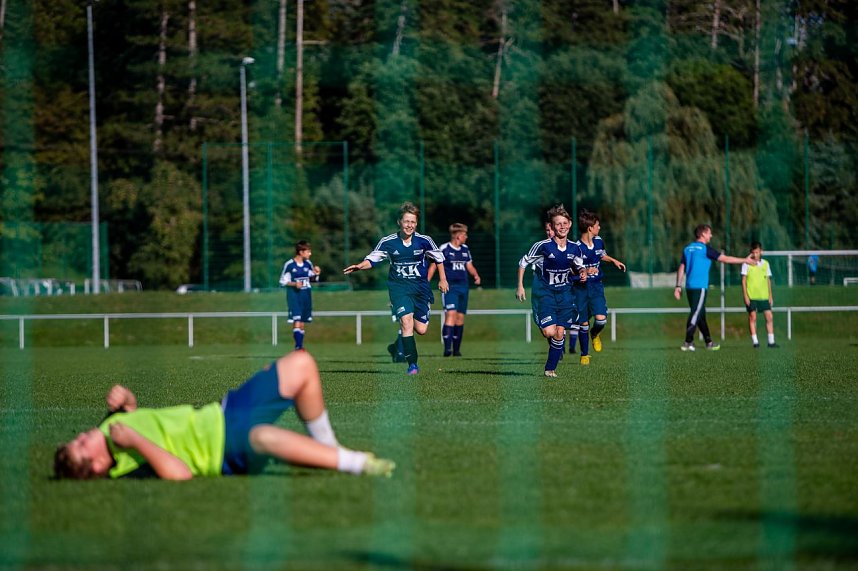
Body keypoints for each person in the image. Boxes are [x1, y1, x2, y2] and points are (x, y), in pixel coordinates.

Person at [54, 351, 395, 480]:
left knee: (301, 363)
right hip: (222, 449)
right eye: (81, 445)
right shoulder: (126, 468)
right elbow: (179, 474)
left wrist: (127, 399)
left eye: (76, 439)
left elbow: (133, 412)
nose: (82, 436)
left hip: (224, 411)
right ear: (97, 466)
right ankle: (355, 463)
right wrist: (136, 442)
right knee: (262, 437)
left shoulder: (108, 426)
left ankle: (328, 447)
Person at [343, 202, 448, 375]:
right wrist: (360, 266)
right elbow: (372, 259)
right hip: (399, 289)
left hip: (420, 290)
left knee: (421, 330)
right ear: (399, 222)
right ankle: (412, 365)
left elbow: (439, 258)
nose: (409, 225)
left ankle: (396, 345)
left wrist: (443, 279)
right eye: (406, 221)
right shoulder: (388, 242)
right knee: (406, 323)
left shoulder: (424, 241)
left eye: (413, 222)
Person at [516, 204, 586, 377]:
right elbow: (523, 262)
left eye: (565, 223)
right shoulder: (543, 246)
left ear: (570, 224)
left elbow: (579, 266)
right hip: (546, 295)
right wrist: (520, 286)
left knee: (560, 332)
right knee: (549, 332)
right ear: (552, 227)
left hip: (565, 295)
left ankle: (550, 369)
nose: (562, 226)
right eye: (558, 224)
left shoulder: (574, 248)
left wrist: (583, 272)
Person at [674, 224, 755, 351]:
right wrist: (744, 260)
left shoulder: (687, 249)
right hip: (700, 287)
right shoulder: (705, 249)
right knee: (696, 313)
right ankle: (688, 342)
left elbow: (681, 267)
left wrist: (678, 286)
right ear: (703, 234)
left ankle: (709, 342)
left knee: (700, 315)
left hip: (689, 287)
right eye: (709, 233)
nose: (711, 235)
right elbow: (725, 259)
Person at [571, 209, 626, 365]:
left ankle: (595, 334)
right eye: (597, 225)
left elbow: (601, 255)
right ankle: (585, 354)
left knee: (601, 320)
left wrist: (614, 261)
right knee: (583, 322)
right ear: (590, 228)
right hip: (581, 288)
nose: (599, 227)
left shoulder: (598, 241)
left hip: (596, 286)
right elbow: (571, 269)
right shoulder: (576, 248)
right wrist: (585, 271)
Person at [427, 223, 481, 357]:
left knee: (460, 317)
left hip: (464, 287)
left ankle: (456, 350)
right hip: (450, 287)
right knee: (450, 314)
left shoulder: (465, 249)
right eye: (464, 235)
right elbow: (434, 266)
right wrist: (425, 282)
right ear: (458, 236)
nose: (466, 237)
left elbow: (469, 265)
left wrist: (476, 275)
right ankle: (447, 349)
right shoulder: (444, 248)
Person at [279, 240, 320, 350]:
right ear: (301, 252)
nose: (310, 254)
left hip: (306, 296)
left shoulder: (308, 264)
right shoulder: (290, 265)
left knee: (302, 323)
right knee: (296, 320)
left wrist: (316, 273)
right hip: (294, 297)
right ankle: (298, 347)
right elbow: (282, 281)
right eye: (308, 251)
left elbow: (313, 279)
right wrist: (294, 284)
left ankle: (300, 346)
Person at [741, 241, 778, 348]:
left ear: (761, 251)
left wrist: (770, 295)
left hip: (764, 296)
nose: (755, 255)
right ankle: (755, 342)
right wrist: (745, 296)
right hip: (752, 296)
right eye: (753, 252)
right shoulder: (746, 263)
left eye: (757, 252)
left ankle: (771, 342)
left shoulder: (766, 264)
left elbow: (768, 280)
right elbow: (743, 281)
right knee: (752, 317)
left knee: (769, 317)